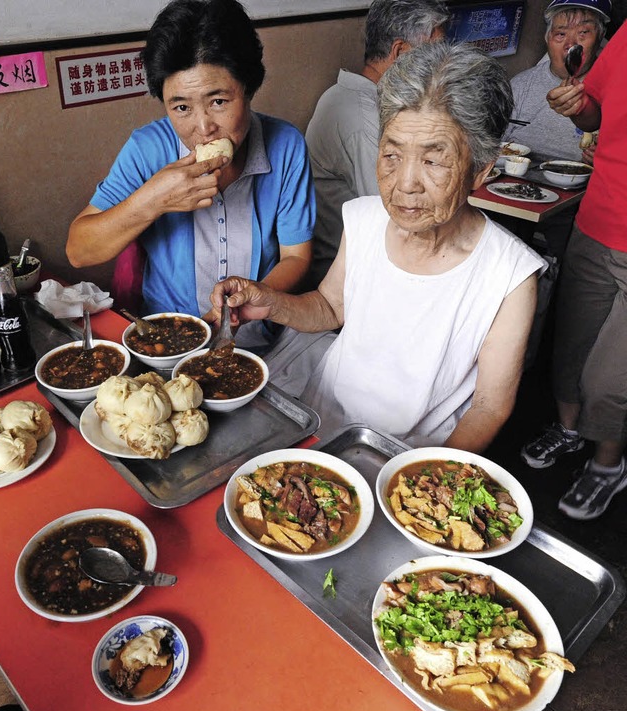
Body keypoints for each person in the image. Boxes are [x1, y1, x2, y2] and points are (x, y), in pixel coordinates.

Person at [210, 42, 545, 452]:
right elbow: (331, 307)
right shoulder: (366, 219)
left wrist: (424, 482)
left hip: (410, 452)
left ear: (481, 170)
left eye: (433, 161)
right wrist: (271, 302)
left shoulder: (508, 274)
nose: (404, 183)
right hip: (320, 424)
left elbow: (490, 406)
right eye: (391, 154)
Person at [66, 0, 315, 351]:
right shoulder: (147, 149)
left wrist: (250, 299)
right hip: (168, 345)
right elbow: (79, 249)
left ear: (248, 88)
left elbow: (296, 256)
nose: (203, 127)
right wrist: (154, 200)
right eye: (181, 107)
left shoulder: (285, 144)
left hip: (262, 343)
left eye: (218, 102)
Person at [520, 16, 627, 520]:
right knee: (570, 346)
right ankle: (567, 431)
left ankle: (608, 464)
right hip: (595, 220)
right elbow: (596, 115)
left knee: (609, 378)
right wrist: (577, 106)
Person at [304, 0, 448, 288]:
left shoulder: (360, 99)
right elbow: (398, 212)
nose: (443, 63)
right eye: (436, 51)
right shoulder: (362, 117)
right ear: (400, 52)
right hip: (346, 274)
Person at [505, 0, 609, 163]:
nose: (571, 44)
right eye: (561, 34)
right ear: (548, 39)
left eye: (583, 32)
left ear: (600, 38)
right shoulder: (520, 85)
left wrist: (607, 157)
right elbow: (494, 145)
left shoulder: (616, 88)